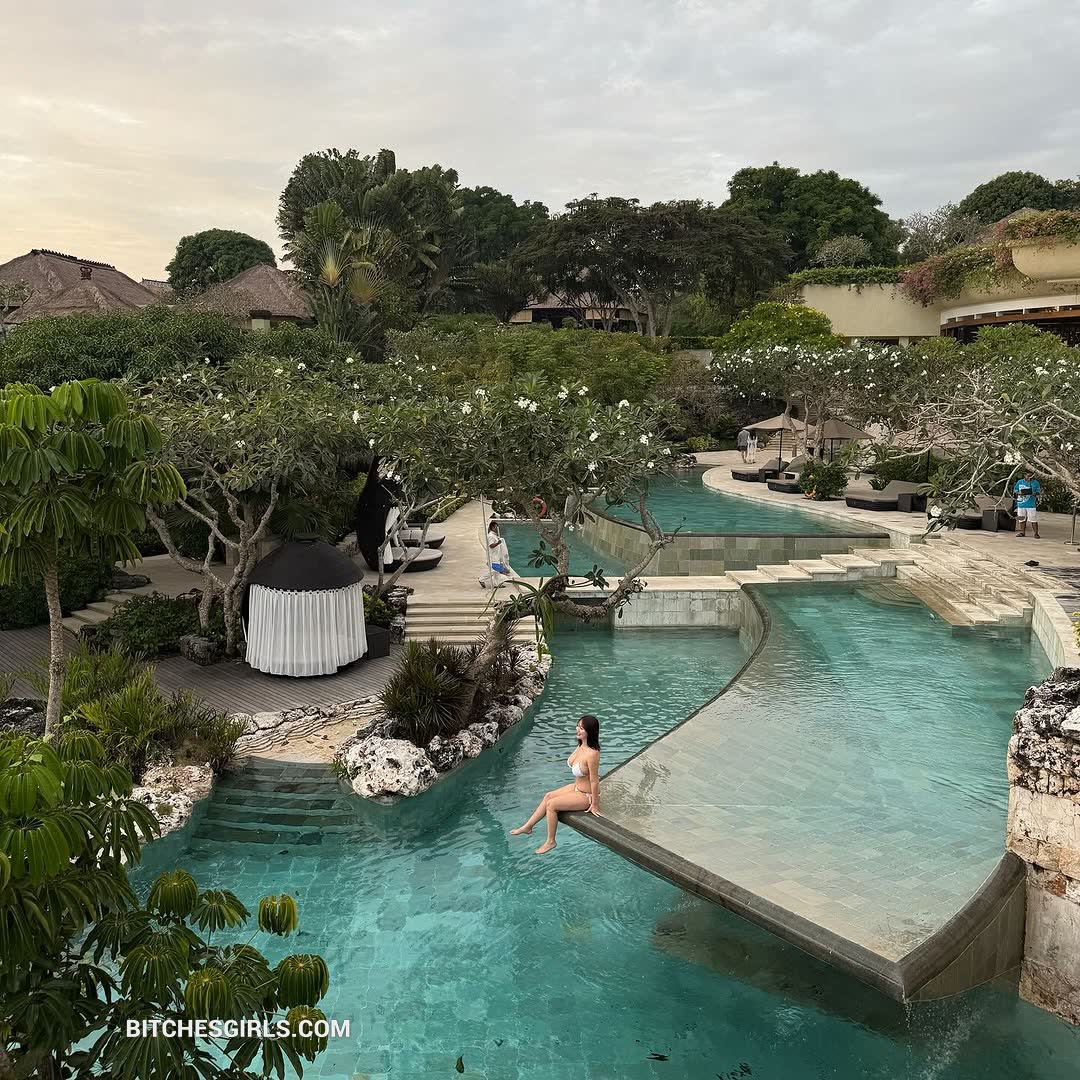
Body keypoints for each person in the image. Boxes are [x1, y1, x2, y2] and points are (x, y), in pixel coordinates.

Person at [511, 715, 601, 854]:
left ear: (590, 731)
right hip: (576, 788)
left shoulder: (592, 753)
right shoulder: (580, 745)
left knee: (551, 805)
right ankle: (528, 826)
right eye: (577, 726)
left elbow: (594, 781)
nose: (577, 729)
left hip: (586, 795)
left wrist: (594, 804)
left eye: (582, 728)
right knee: (548, 796)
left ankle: (551, 841)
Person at [478, 517, 517, 588]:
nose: (497, 528)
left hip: (496, 556)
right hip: (493, 557)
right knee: (494, 570)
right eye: (496, 527)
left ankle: (497, 584)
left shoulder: (494, 535)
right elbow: (491, 545)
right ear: (492, 527)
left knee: (497, 572)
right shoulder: (491, 536)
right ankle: (481, 579)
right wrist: (498, 542)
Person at [1013, 469, 1042, 539]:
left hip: (1031, 504)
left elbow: (1038, 491)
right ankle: (1022, 532)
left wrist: (1035, 493)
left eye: (1031, 476)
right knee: (1021, 518)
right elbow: (1015, 490)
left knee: (1033, 519)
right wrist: (1019, 493)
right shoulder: (1020, 482)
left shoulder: (1035, 483)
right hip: (1021, 504)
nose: (1029, 478)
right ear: (1025, 475)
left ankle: (1036, 533)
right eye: (1028, 476)